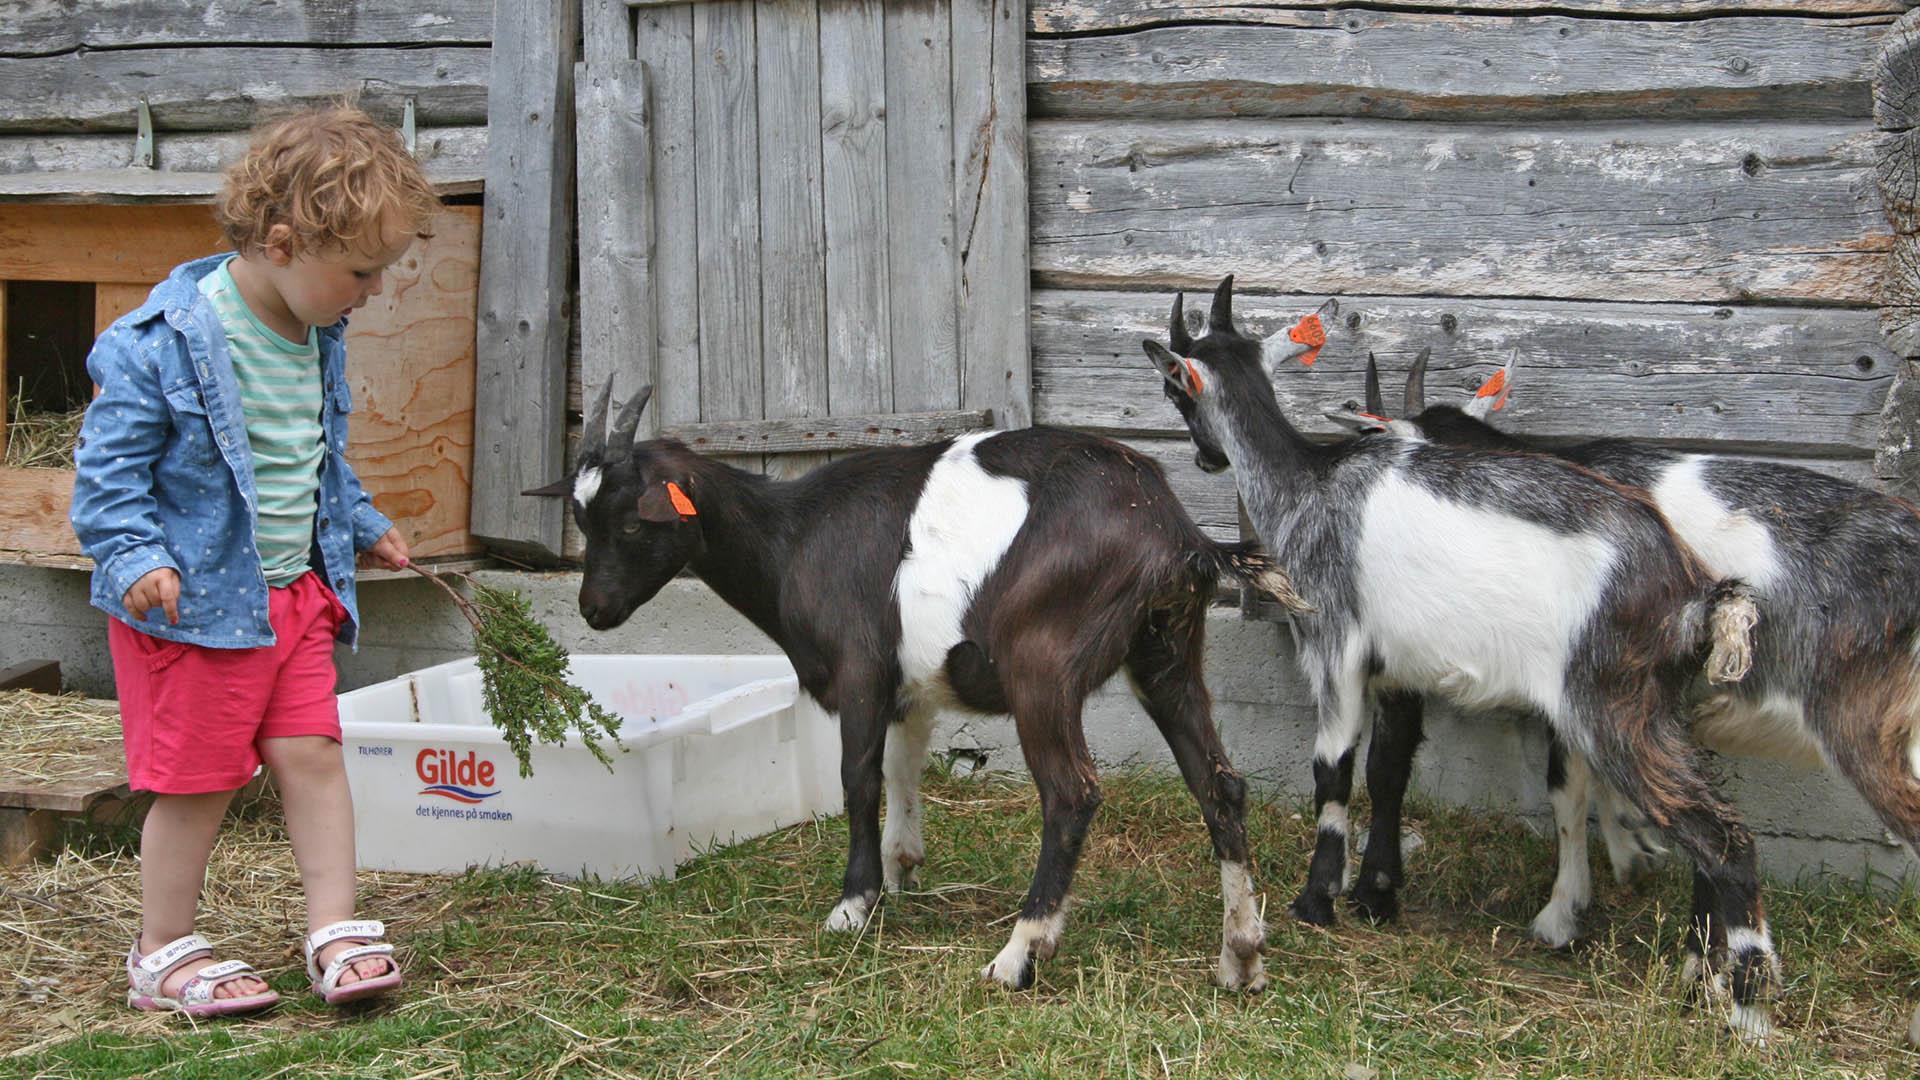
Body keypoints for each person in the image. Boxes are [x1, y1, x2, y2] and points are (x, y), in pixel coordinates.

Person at [69, 104, 438, 1016]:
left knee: (312, 753)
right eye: (361, 271)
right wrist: (133, 557)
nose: (373, 291)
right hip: (194, 611)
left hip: (290, 598)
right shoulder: (166, 342)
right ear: (282, 242)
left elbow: (304, 451)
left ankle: (335, 926)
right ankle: (161, 953)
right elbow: (104, 475)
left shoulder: (315, 335)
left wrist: (358, 519)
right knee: (200, 783)